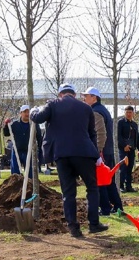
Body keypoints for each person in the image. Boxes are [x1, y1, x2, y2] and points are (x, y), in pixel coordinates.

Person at [31, 83, 108, 238]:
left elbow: (38, 118)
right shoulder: (86, 108)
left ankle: (73, 228)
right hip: (84, 153)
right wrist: (97, 155)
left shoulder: (52, 105)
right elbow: (92, 134)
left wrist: (33, 111)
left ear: (60, 94)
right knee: (92, 188)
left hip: (62, 154)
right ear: (74, 94)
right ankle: (94, 224)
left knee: (68, 192)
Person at [81, 87, 123, 216]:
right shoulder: (102, 110)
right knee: (108, 180)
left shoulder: (95, 112)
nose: (84, 98)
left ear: (94, 98)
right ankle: (117, 206)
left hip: (101, 152)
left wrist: (97, 152)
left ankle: (105, 209)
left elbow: (100, 134)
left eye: (86, 96)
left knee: (101, 181)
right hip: (107, 150)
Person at [3, 104, 41, 177]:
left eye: (28, 112)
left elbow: (39, 136)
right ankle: (17, 187)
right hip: (17, 151)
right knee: (15, 173)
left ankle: (29, 186)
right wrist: (6, 125)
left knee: (30, 173)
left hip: (29, 151)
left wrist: (39, 149)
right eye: (25, 112)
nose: (27, 114)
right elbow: (6, 133)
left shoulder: (33, 124)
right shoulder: (15, 124)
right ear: (21, 113)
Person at [117, 105, 139, 192]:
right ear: (124, 113)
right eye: (127, 112)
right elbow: (118, 136)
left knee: (130, 168)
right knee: (123, 167)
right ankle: (121, 186)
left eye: (130, 112)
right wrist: (124, 146)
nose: (128, 114)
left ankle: (129, 186)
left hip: (132, 149)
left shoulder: (134, 124)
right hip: (123, 149)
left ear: (133, 113)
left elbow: (137, 137)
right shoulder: (120, 122)